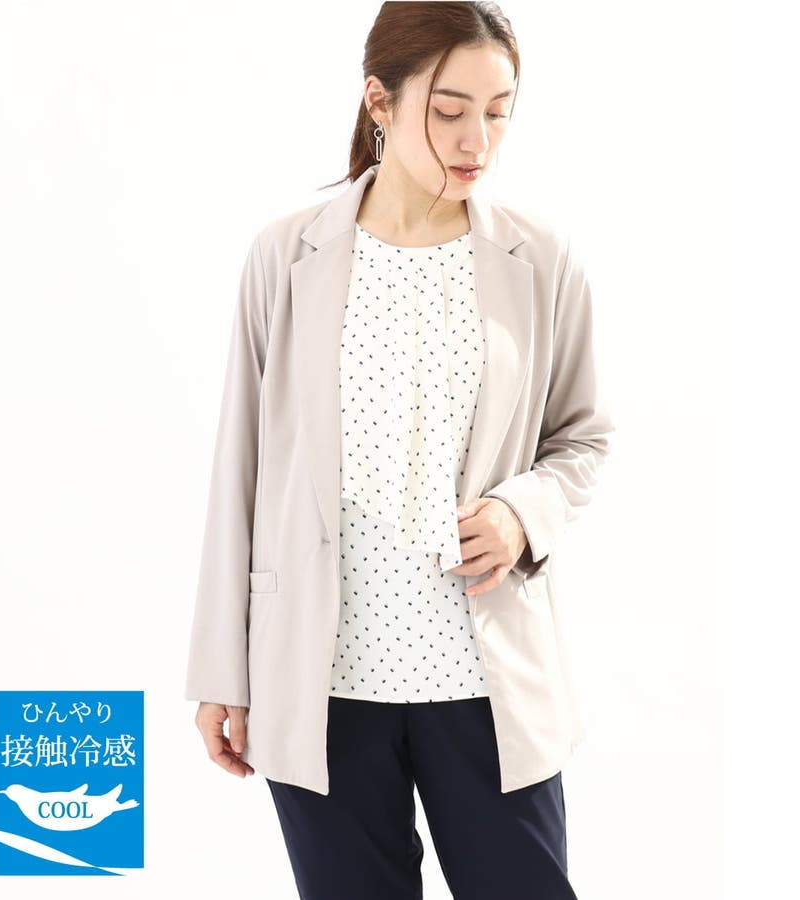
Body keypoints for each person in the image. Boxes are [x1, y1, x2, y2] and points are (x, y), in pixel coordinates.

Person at [186, 3, 614, 898]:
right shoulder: (285, 255)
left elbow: (582, 434)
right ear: (379, 102)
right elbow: (239, 470)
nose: (476, 140)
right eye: (449, 110)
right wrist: (221, 668)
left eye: (497, 112)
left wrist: (520, 514)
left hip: (486, 679)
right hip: (322, 682)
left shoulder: (540, 257)